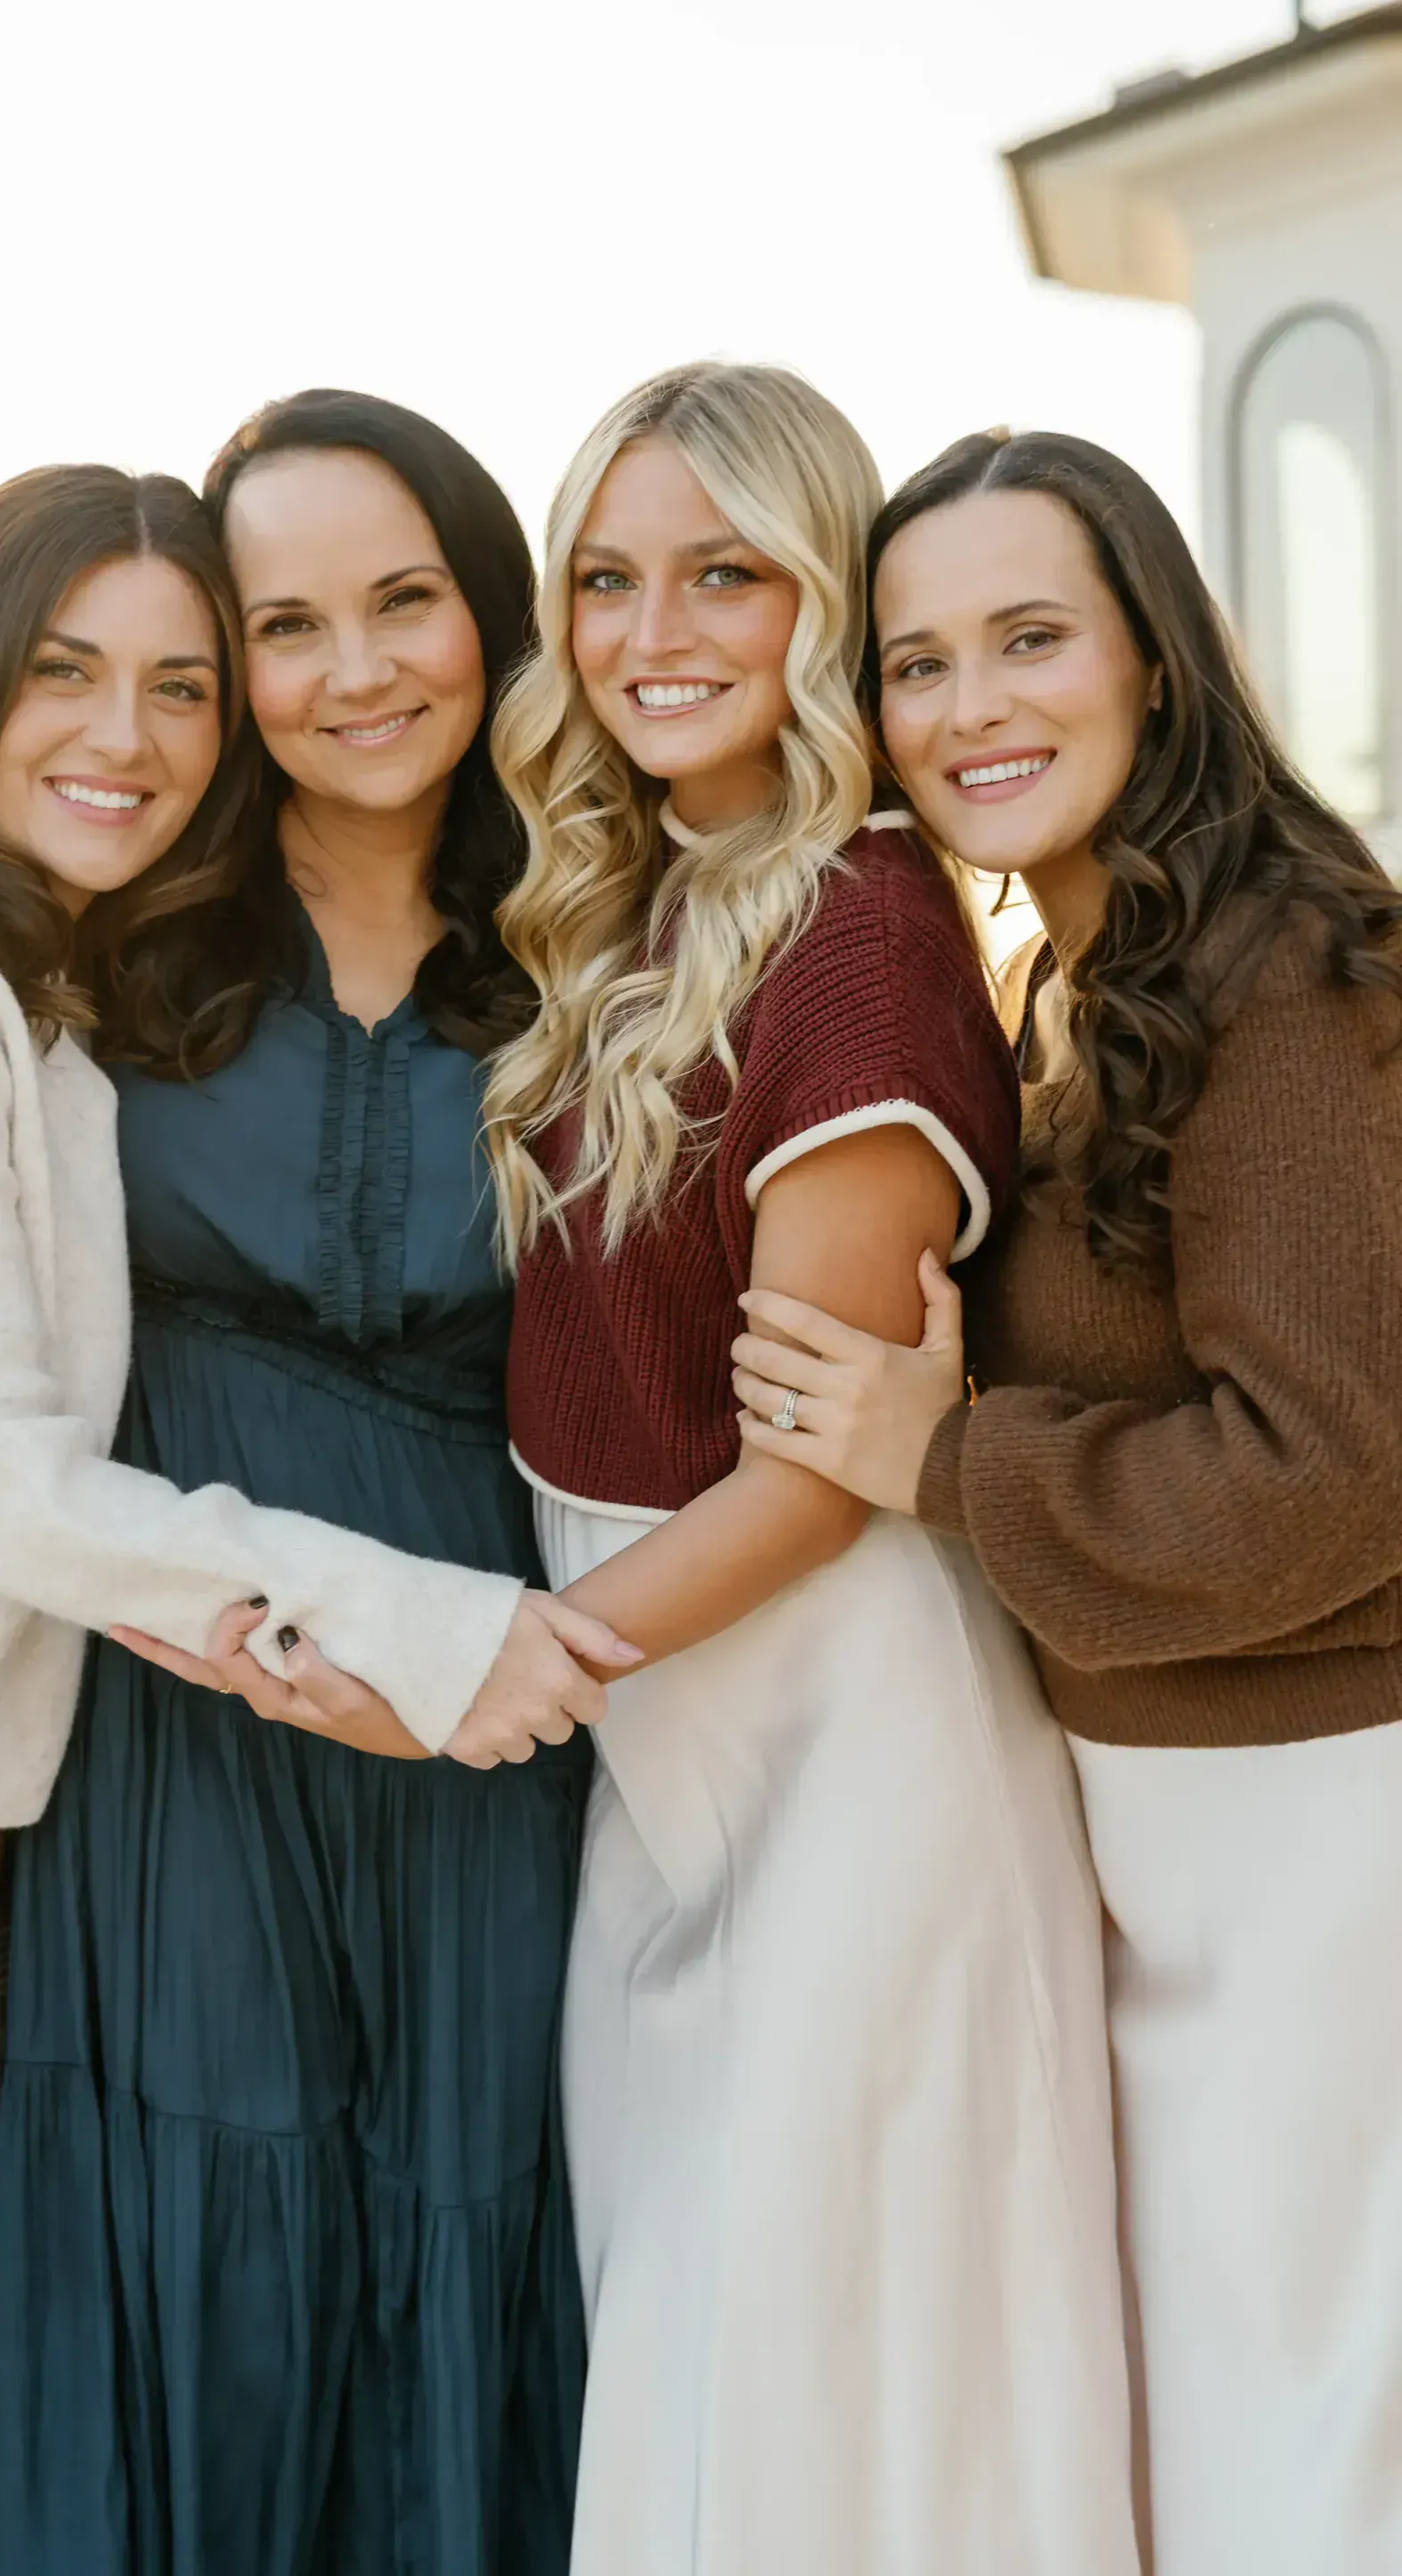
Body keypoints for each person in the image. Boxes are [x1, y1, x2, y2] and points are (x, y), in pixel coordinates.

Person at [0, 461, 616, 2576]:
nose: (128, 733)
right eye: (64, 672)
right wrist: (420, 1625)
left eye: (177, 685)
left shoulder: (24, 954)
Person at [482, 366, 1141, 2576]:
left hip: (851, 1743)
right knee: (707, 2362)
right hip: (675, 1744)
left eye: (726, 575)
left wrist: (510, 1666)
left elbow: (820, 1476)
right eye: (605, 580)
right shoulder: (643, 895)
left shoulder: (857, 935)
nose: (652, 632)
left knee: (833, 2393)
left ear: (823, 602)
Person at [729, 426, 1402, 2576]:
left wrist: (939, 1455)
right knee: (1238, 2438)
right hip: (1185, 1830)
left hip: (1327, 1833)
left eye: (1030, 638)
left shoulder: (1296, 976)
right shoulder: (1076, 985)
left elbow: (1336, 1470)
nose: (969, 707)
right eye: (917, 662)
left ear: (1154, 661)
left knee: (1312, 2460)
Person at [0, 394, 607, 2576]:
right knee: (202, 2235)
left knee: (477, 2205)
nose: (353, 674)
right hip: (185, 1701)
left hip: (487, 1703)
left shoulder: (599, 945)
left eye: (403, 602)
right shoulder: (102, 933)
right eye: (285, 627)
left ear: (489, 613)